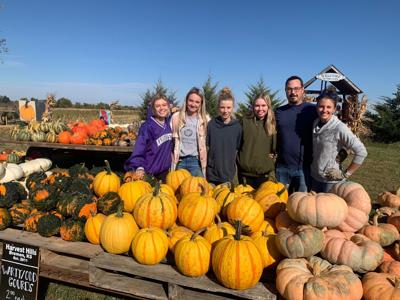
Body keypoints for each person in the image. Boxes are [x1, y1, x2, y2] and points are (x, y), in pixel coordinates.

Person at [311, 93, 367, 192]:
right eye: (321, 106)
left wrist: (345, 174)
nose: (324, 110)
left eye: (329, 107)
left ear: (334, 109)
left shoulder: (339, 128)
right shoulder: (315, 123)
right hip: (315, 178)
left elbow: (361, 152)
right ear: (317, 107)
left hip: (330, 181)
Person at [275, 76, 318, 193]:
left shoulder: (313, 110)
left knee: (301, 206)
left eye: (296, 88)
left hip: (304, 169)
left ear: (303, 90)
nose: (293, 92)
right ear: (285, 91)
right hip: (282, 168)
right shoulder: (279, 112)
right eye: (289, 89)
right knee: (279, 206)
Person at [124, 94, 173, 182]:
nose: (162, 108)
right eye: (158, 106)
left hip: (164, 172)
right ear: (153, 109)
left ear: (168, 106)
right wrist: (139, 167)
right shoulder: (147, 127)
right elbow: (139, 149)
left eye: (164, 105)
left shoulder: (168, 123)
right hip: (150, 173)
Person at [237, 93, 276, 189]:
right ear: (253, 106)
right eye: (257, 106)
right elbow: (236, 145)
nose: (260, 109)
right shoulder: (245, 122)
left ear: (268, 106)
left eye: (263, 105)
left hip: (264, 176)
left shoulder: (272, 124)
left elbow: (274, 148)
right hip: (245, 175)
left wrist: (272, 157)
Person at [206, 87, 242, 185]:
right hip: (211, 175)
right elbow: (207, 148)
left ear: (233, 107)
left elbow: (237, 150)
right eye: (222, 107)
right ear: (218, 107)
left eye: (228, 107)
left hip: (227, 176)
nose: (225, 111)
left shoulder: (237, 127)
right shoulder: (211, 125)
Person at [171, 87, 209, 177]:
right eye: (191, 100)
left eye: (197, 102)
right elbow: (170, 140)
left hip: (196, 162)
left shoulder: (205, 120)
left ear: (201, 104)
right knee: (177, 188)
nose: (193, 104)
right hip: (179, 161)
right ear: (186, 101)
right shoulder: (176, 117)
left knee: (198, 188)